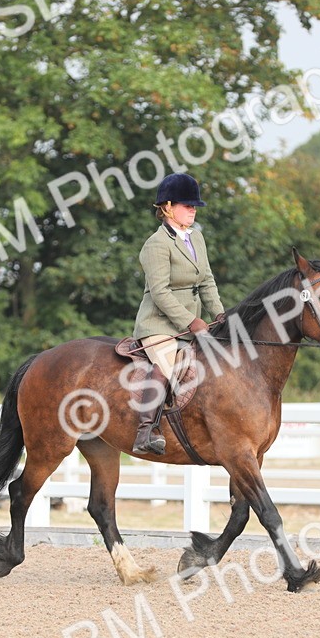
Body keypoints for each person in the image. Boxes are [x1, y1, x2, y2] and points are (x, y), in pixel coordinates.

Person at [131, 173, 225, 455]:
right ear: (168, 207)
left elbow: (207, 281)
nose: (193, 210)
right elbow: (160, 293)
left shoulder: (196, 238)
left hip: (191, 324)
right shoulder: (156, 245)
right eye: (187, 205)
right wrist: (190, 321)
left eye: (195, 206)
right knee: (167, 359)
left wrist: (220, 314)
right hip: (159, 324)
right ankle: (145, 431)